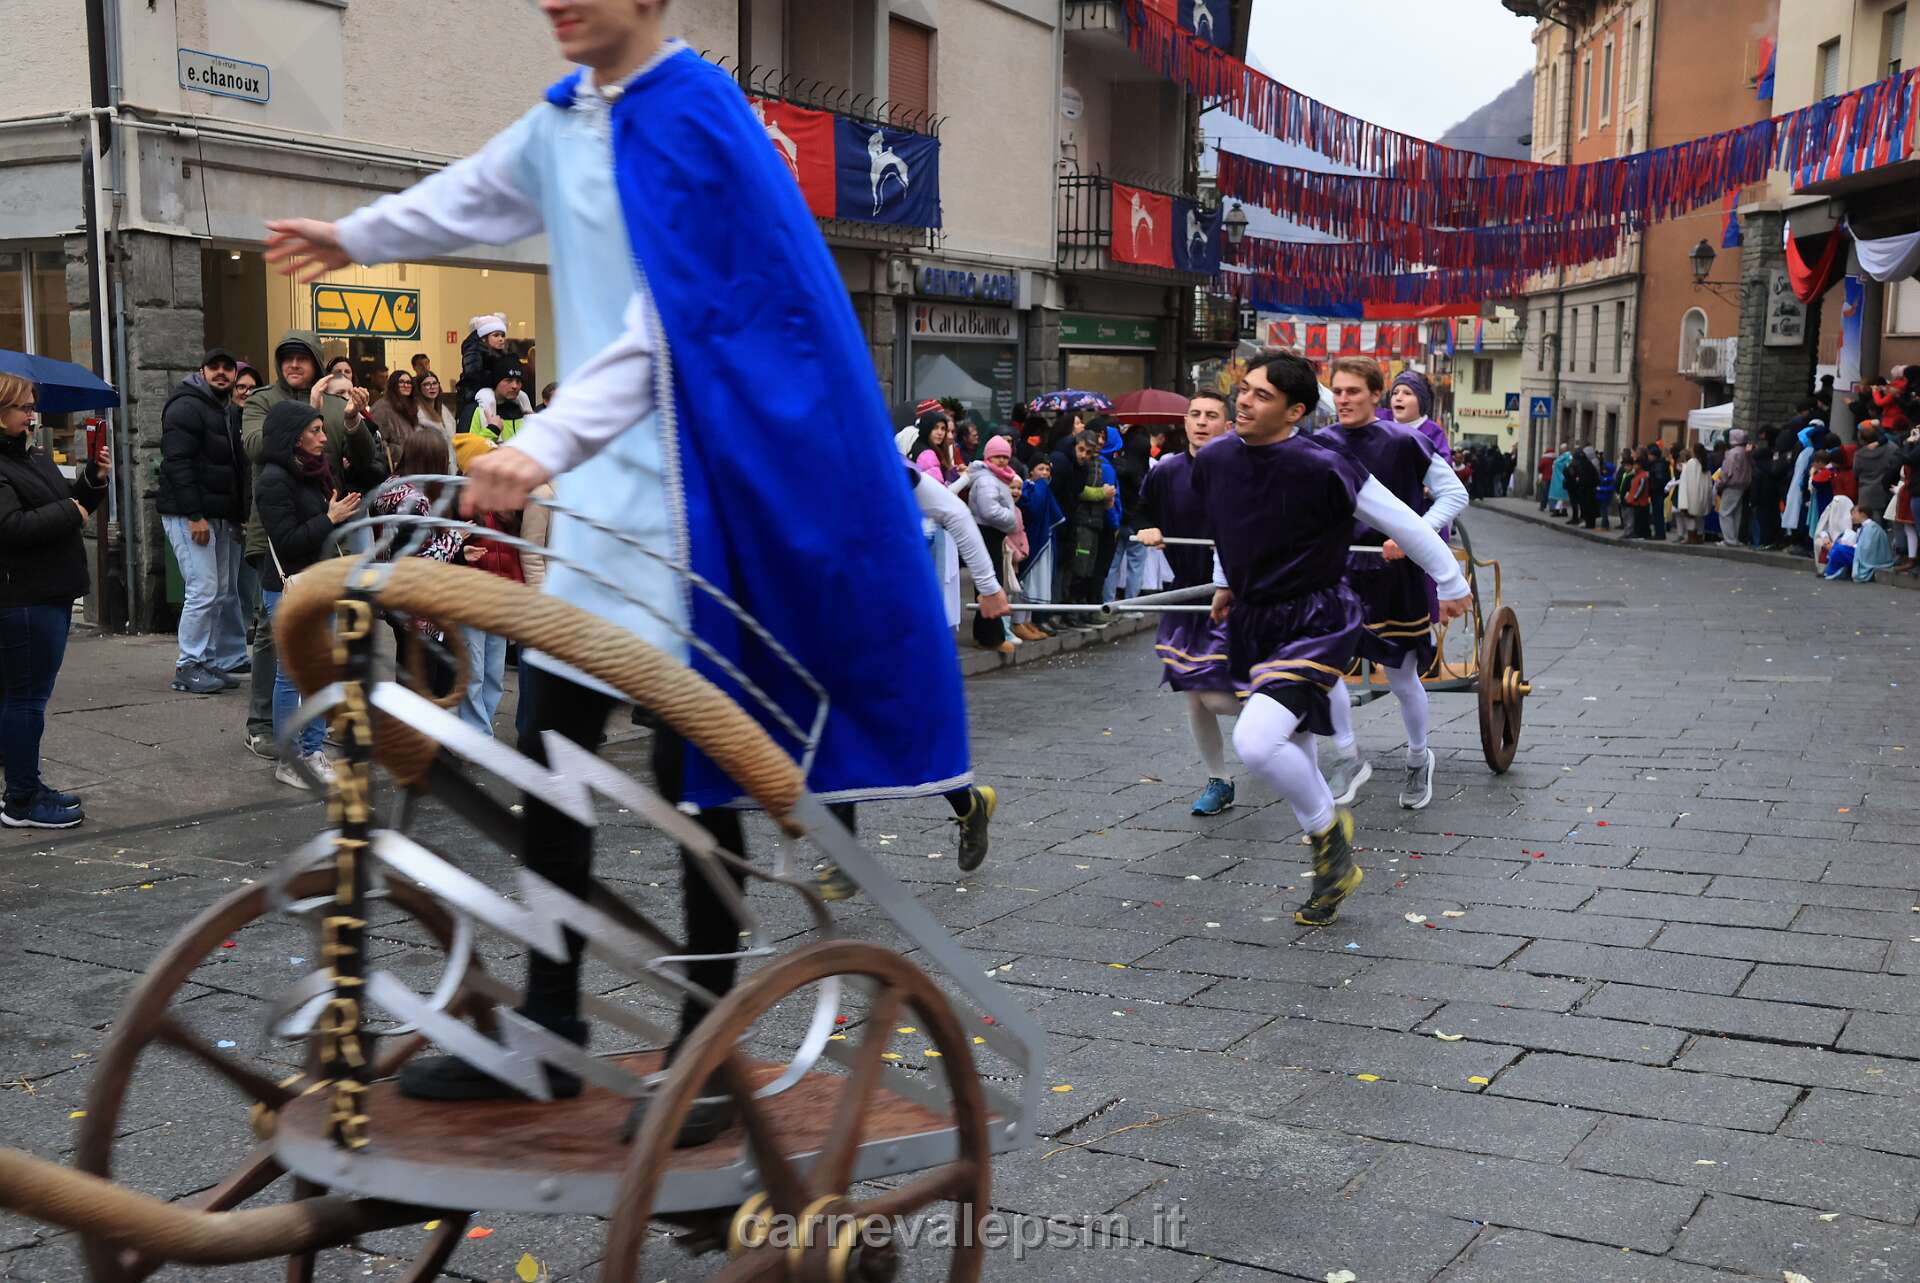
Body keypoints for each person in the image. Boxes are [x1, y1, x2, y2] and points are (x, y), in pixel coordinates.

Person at [264, 0, 980, 1145]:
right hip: (602, 521)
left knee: (706, 786)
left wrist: (545, 440)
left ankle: (706, 1049)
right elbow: (475, 193)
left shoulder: (699, 119)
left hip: (701, 504)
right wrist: (355, 233)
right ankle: (548, 1027)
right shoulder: (569, 116)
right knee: (551, 755)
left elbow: (676, 324)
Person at [1199, 352, 1469, 925]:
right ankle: (1332, 864)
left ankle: (1330, 838)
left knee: (1256, 743)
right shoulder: (1218, 457)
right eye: (1244, 389)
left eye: (1262, 395)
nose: (1244, 401)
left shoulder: (1326, 462)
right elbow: (1227, 526)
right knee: (1292, 740)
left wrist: (1451, 581)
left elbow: (1403, 521)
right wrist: (1225, 582)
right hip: (1254, 619)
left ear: (1295, 411)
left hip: (1317, 619)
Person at [1314, 356, 1469, 812]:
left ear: (1375, 395)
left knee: (1401, 677)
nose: (1344, 399)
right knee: (1323, 665)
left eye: (1353, 391)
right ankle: (1347, 755)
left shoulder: (1406, 441)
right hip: (1341, 570)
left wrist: (1413, 534)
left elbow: (1454, 494)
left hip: (1396, 573)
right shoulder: (1321, 443)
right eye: (1338, 391)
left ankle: (1419, 757)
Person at [238, 329, 387, 758]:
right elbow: (256, 447)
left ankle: (322, 724)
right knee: (274, 633)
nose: (294, 365)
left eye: (302, 358)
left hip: (329, 528)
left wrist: (354, 421)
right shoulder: (263, 400)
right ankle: (263, 725)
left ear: (317, 363)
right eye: (287, 357)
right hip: (276, 531)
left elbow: (364, 462)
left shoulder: (338, 403)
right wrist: (310, 411)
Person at [0, 374, 110, 829]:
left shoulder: (31, 455)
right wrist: (71, 511)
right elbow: (11, 527)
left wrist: (92, 481)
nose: (32, 416)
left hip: (50, 591)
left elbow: (68, 504)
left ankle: (26, 785)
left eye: (33, 407)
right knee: (25, 699)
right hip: (24, 598)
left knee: (24, 697)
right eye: (24, 408)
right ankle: (21, 800)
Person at [1134, 390, 1242, 816]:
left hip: (1234, 595)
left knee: (1212, 694)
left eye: (1211, 415)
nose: (1201, 422)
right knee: (1194, 695)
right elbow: (1140, 512)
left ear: (1228, 426)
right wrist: (1148, 528)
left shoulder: (1243, 469)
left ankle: (1284, 718)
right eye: (1194, 414)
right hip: (1186, 592)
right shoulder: (1167, 470)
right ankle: (1219, 779)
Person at [251, 401, 362, 790]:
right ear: (293, 437)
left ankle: (313, 751)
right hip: (290, 588)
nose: (323, 438)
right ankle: (291, 759)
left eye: (322, 430)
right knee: (292, 676)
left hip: (320, 582)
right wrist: (329, 518)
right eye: (315, 431)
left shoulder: (314, 471)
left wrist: (332, 517)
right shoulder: (273, 480)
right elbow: (288, 541)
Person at [158, 347, 250, 695]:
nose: (222, 373)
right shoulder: (186, 406)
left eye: (228, 368)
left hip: (218, 515)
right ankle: (189, 664)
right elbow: (177, 463)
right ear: (202, 371)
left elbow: (233, 468)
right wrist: (195, 516)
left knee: (220, 591)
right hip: (191, 516)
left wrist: (236, 516)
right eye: (215, 367)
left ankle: (208, 661)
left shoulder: (224, 409)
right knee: (204, 589)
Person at [961, 434, 1021, 654]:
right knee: (990, 584)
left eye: (1005, 457)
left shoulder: (995, 477)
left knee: (989, 582)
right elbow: (990, 511)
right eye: (997, 456)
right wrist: (1012, 519)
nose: (1002, 461)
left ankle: (986, 634)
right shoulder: (987, 480)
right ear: (988, 457)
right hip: (987, 533)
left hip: (991, 534)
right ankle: (991, 637)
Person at [1012, 456, 1063, 639]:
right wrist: (1041, 486)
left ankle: (1028, 620)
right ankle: (1018, 622)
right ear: (1031, 470)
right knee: (1025, 583)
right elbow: (1033, 509)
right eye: (1041, 469)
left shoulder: (1042, 489)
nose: (1045, 473)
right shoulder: (1028, 488)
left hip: (1043, 540)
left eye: (1047, 470)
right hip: (1030, 540)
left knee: (1035, 583)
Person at [1103, 422, 1153, 602]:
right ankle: (1132, 603)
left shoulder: (1117, 466)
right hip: (1138, 524)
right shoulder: (1147, 472)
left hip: (1118, 520)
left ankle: (1108, 602)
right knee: (1136, 565)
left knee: (1112, 564)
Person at [1385, 370, 1452, 462]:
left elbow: (1443, 466)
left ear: (1421, 401)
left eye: (1407, 393)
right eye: (1395, 393)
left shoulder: (1433, 433)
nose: (1398, 398)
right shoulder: (1380, 422)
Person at [463, 366, 531, 444]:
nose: (515, 386)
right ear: (496, 382)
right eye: (509, 380)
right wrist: (492, 430)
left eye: (518, 381)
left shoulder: (523, 411)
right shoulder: (477, 410)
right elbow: (469, 448)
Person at [1853, 421, 1898, 523]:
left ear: (1862, 440)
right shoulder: (1892, 448)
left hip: (1867, 493)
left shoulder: (1859, 455)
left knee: (1873, 525)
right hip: (1888, 489)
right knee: (1892, 523)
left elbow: (1856, 472)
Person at [1716, 428, 1753, 545]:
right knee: (1736, 513)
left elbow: (1727, 472)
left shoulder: (1732, 453)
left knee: (1725, 512)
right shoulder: (1746, 452)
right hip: (1743, 486)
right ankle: (1734, 538)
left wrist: (1719, 483)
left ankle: (1729, 539)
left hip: (1731, 486)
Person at [372, 368, 418, 457]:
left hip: (412, 459)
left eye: (409, 382)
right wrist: (397, 452)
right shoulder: (381, 408)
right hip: (393, 461)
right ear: (394, 384)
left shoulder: (412, 407)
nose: (406, 385)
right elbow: (377, 440)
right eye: (401, 382)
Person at [1674, 442, 1712, 543]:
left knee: (1690, 516)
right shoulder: (1705, 464)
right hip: (1701, 494)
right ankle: (1699, 536)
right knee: (1699, 517)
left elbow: (1686, 478)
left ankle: (1691, 537)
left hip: (1691, 494)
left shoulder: (1692, 463)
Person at [910, 410, 961, 484]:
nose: (940, 433)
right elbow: (939, 487)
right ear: (927, 429)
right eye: (935, 428)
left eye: (943, 429)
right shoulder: (927, 455)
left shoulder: (920, 444)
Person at [413, 371, 459, 439]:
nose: (432, 387)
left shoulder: (443, 410)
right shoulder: (417, 412)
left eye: (434, 383)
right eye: (427, 384)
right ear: (419, 388)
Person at [1547, 443, 1571, 515]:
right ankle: (1564, 510)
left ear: (1565, 449)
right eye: (1561, 449)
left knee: (1562, 495)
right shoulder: (1563, 456)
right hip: (1558, 478)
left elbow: (1567, 466)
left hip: (1562, 478)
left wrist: (1556, 465)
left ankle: (1557, 510)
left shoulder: (1568, 456)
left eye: (1562, 449)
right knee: (1563, 495)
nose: (1561, 450)